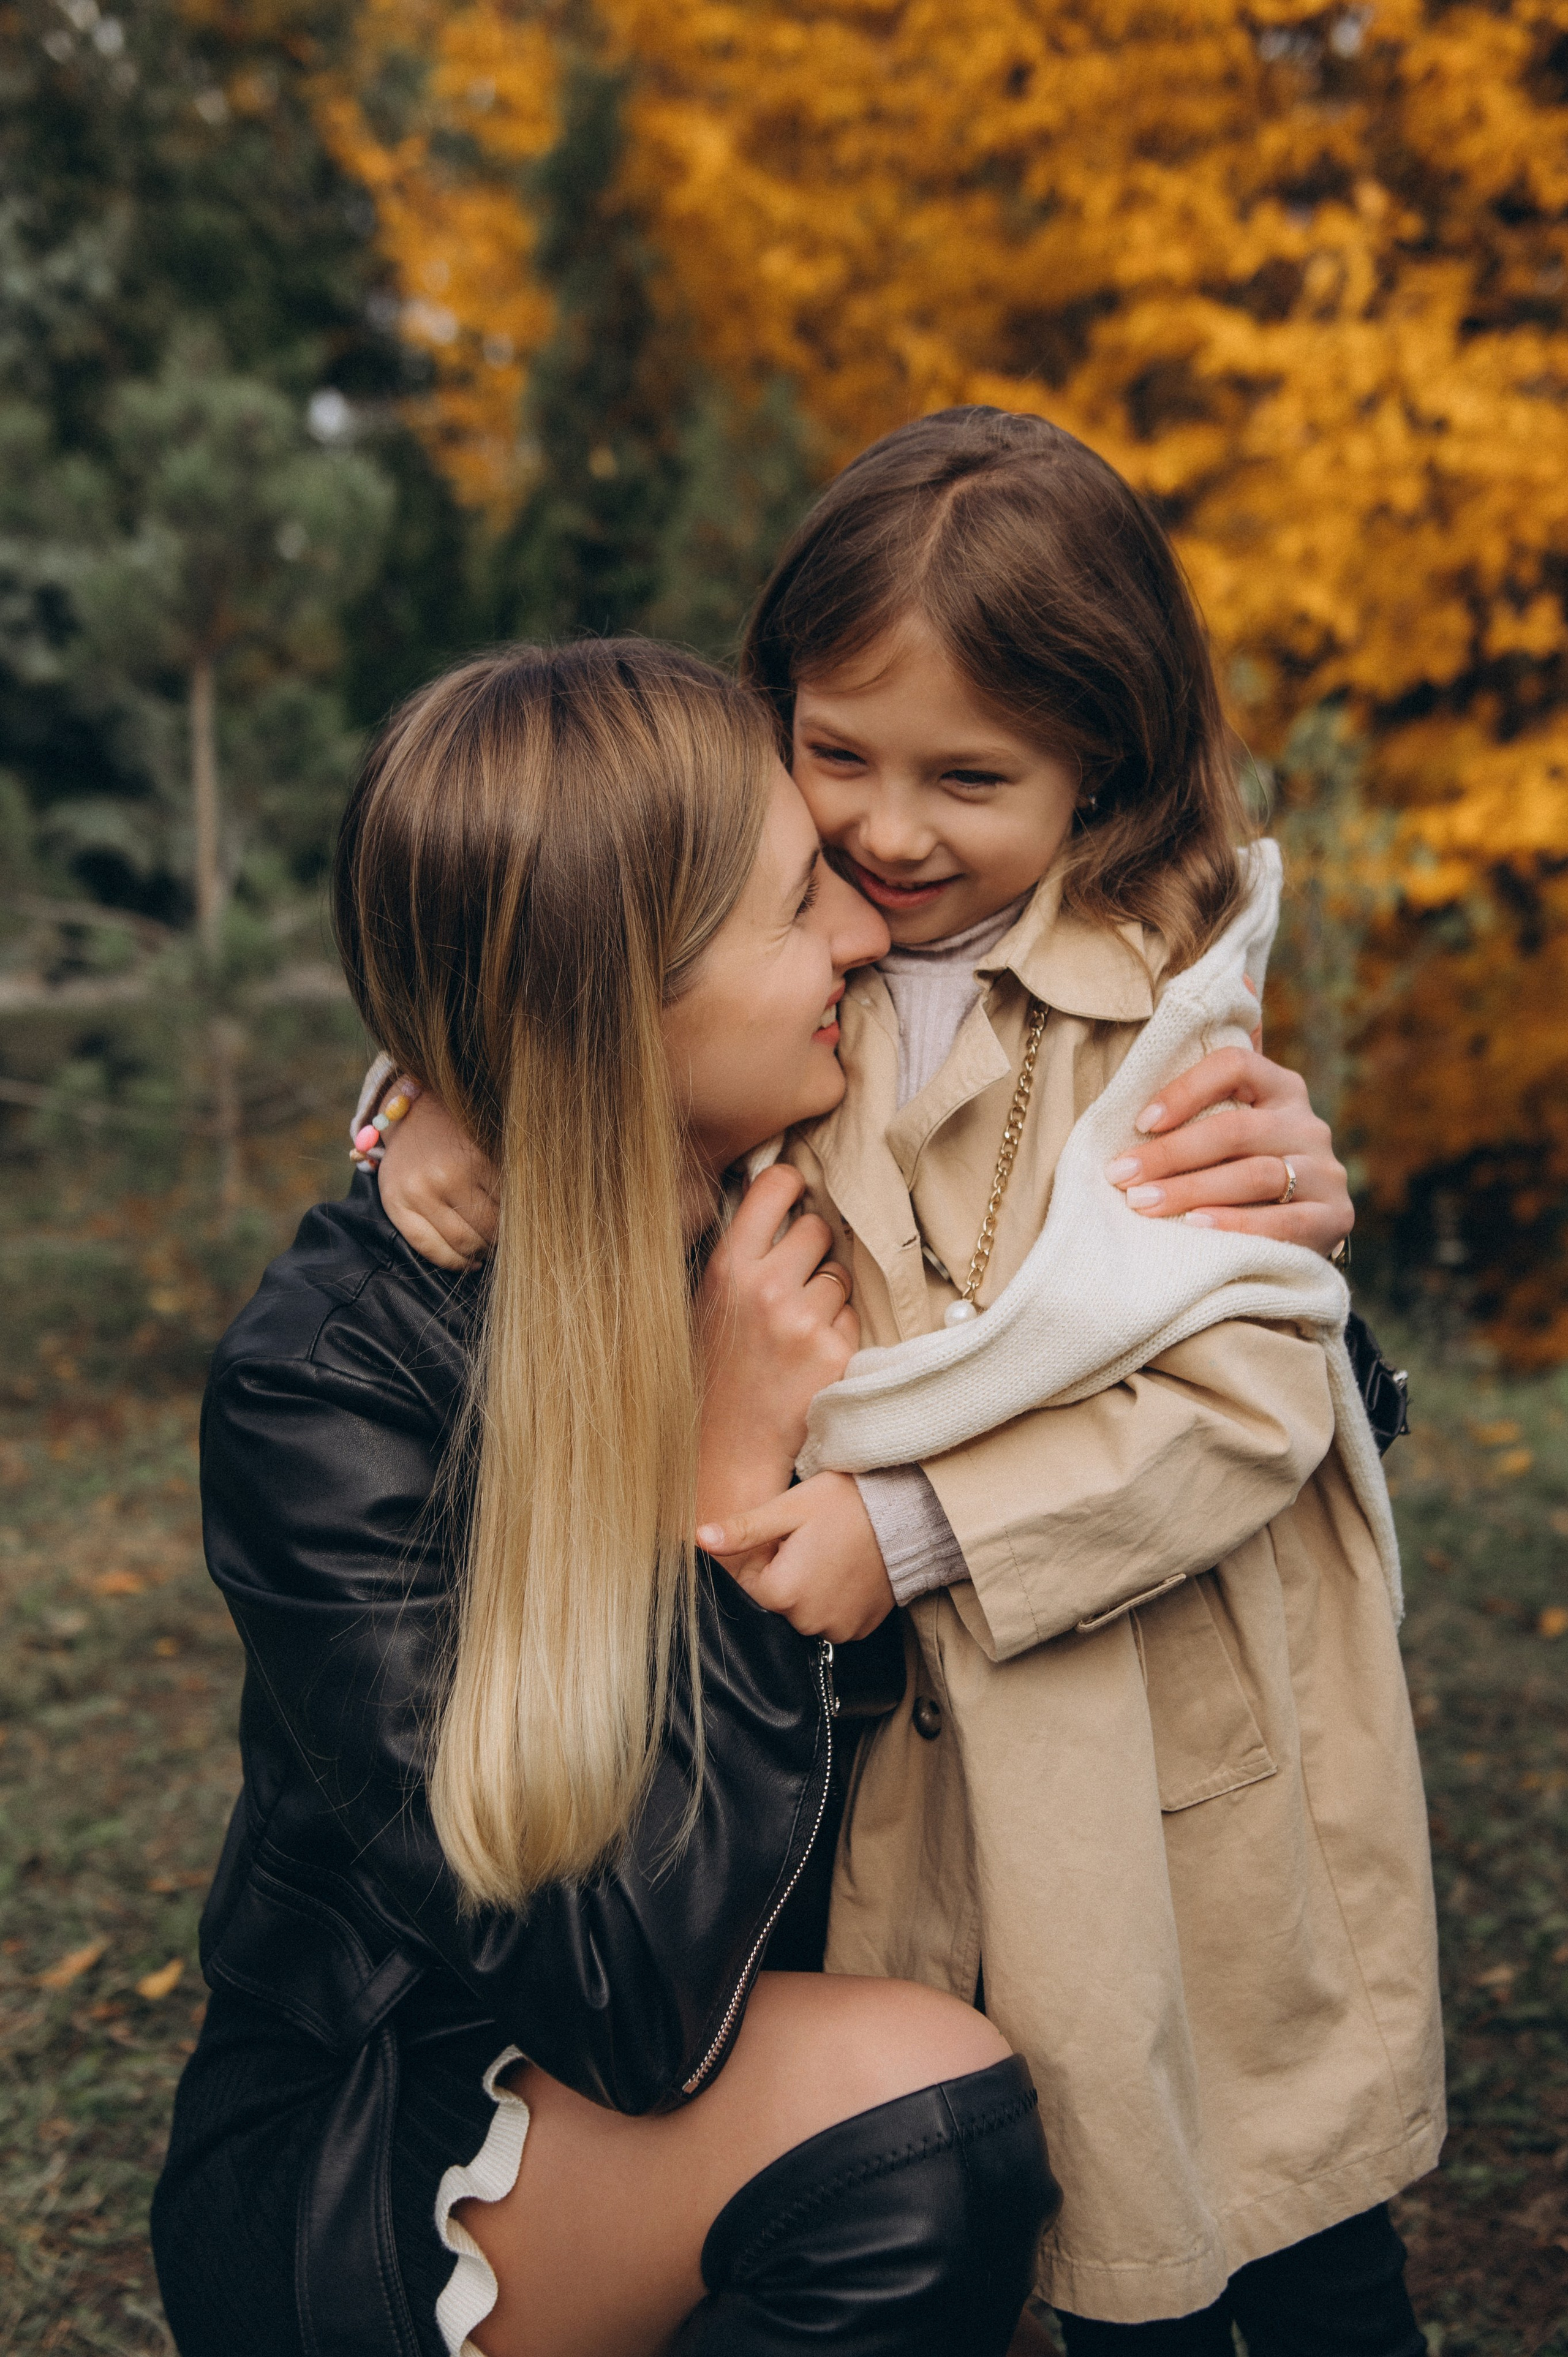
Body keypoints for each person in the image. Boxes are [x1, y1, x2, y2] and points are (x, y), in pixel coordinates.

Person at [379, 411, 1440, 2352]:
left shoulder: (1164, 997)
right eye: (838, 755)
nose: (888, 832)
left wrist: (924, 1520)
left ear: (1101, 766)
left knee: (1250, 2198)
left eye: (974, 778)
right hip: (900, 1758)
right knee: (1006, 2150)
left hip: (1139, 1703)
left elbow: (1258, 1389)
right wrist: (444, 1102)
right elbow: (573, 975)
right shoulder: (775, 939)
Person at [149, 638, 1060, 2357]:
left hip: (734, 2048)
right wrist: (723, 1502)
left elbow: (1175, 1361)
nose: (866, 936)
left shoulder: (808, 1180)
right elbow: (628, 1999)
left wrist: (1263, 1221)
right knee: (921, 2125)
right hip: (400, 2138)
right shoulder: (330, 1388)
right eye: (803, 907)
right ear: (622, 998)